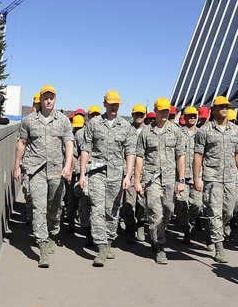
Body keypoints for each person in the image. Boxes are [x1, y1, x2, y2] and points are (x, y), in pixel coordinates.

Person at [12, 85, 73, 268]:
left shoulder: (63, 121)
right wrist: (17, 167)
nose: (48, 101)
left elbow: (69, 144)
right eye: (45, 98)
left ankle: (52, 233)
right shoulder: (29, 120)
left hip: (56, 171)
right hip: (35, 170)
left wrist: (68, 166)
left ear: (55, 99)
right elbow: (22, 143)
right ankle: (42, 246)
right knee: (39, 207)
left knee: (54, 207)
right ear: (40, 99)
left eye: (51, 98)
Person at [77, 90, 137, 267]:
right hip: (96, 172)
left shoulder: (125, 126)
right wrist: (82, 174)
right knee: (97, 209)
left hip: (116, 174)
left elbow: (130, 153)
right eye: (110, 104)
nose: (113, 107)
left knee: (112, 210)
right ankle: (101, 247)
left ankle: (109, 240)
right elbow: (85, 150)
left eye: (116, 104)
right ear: (104, 104)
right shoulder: (94, 123)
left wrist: (128, 176)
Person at [193, 95, 238, 263]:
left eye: (226, 106)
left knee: (229, 211)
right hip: (212, 177)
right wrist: (197, 178)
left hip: (231, 177)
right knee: (215, 212)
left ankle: (212, 231)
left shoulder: (235, 130)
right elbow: (198, 155)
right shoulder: (204, 131)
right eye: (221, 106)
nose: (225, 109)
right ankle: (219, 246)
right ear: (214, 109)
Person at [134, 98, 187, 264]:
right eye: (162, 110)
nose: (165, 113)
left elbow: (181, 156)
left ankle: (157, 235)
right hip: (152, 179)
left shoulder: (176, 131)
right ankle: (160, 246)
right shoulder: (146, 132)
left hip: (170, 179)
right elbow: (139, 157)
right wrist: (137, 180)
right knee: (156, 212)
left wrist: (181, 179)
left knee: (168, 212)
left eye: (167, 111)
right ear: (155, 111)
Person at [122, 103, 149, 242]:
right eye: (136, 114)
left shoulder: (150, 131)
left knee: (144, 203)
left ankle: (141, 224)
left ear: (145, 115)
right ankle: (130, 227)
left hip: (146, 173)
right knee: (129, 203)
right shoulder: (126, 130)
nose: (139, 116)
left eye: (141, 114)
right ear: (132, 115)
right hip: (130, 173)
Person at [177, 106, 203, 244]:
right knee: (181, 205)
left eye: (194, 116)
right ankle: (186, 230)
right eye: (190, 116)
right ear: (185, 117)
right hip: (180, 175)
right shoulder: (178, 133)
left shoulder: (201, 133)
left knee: (197, 204)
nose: (192, 118)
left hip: (196, 176)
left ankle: (191, 223)